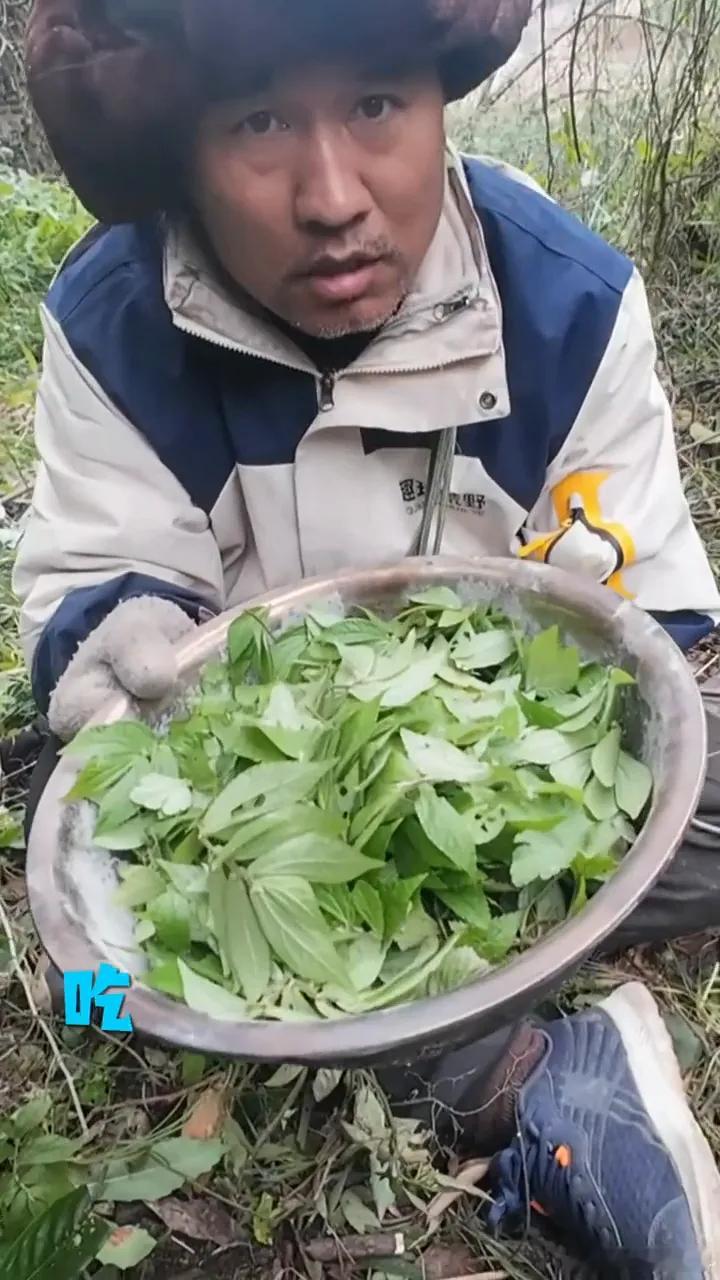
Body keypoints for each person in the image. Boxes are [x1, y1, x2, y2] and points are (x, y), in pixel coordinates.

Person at [17, 0, 720, 1273]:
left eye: (379, 105)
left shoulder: (567, 300)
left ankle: (456, 1008)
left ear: (445, 100)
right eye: (262, 120)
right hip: (257, 785)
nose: (334, 194)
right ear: (180, 142)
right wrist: (112, 634)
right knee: (93, 979)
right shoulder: (115, 318)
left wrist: (520, 757)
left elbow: (646, 631)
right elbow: (96, 569)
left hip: (501, 753)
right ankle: (537, 1081)